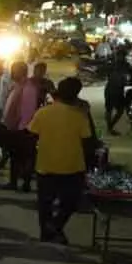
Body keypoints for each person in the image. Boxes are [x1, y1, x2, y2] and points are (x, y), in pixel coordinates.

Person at [29, 78, 93, 244]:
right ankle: (56, 226)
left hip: (45, 164)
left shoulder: (43, 113)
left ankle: (46, 233)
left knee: (45, 203)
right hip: (72, 167)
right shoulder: (80, 116)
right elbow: (87, 141)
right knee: (71, 202)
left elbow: (31, 135)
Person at [2, 61, 41, 192]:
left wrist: (21, 127)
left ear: (22, 71)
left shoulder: (28, 87)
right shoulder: (19, 85)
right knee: (15, 157)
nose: (12, 73)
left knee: (25, 158)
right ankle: (14, 182)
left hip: (24, 129)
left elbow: (27, 111)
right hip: (16, 127)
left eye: (15, 70)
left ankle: (25, 183)